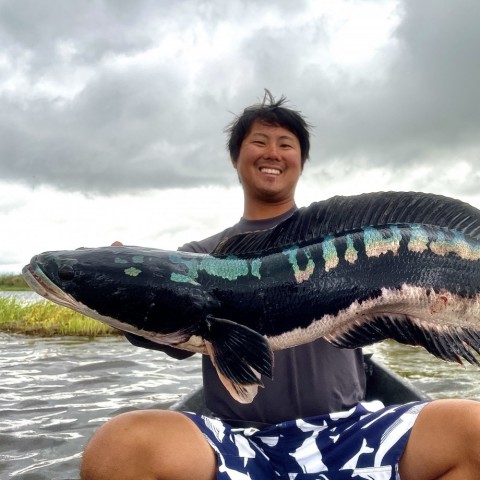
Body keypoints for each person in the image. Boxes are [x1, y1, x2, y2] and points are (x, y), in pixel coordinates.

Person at [80, 91, 480, 479]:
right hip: (237, 439)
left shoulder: (346, 237)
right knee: (119, 448)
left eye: (286, 144)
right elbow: (169, 336)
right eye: (259, 141)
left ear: (300, 161)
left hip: (349, 431)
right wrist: (117, 293)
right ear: (236, 157)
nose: (272, 152)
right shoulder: (199, 257)